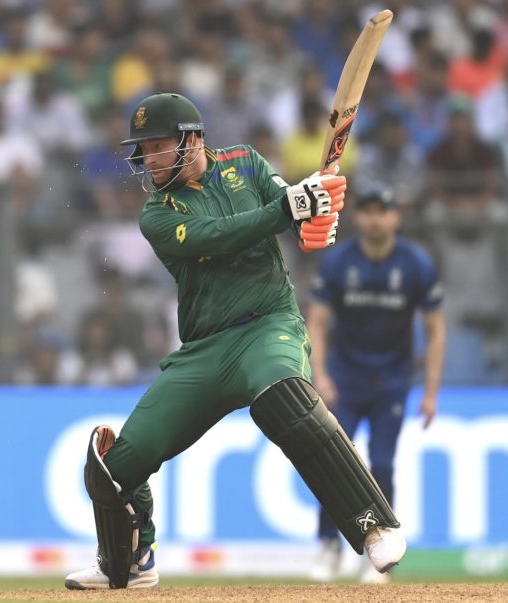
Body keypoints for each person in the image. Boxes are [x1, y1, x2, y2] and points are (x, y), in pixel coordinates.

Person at [64, 92, 405, 590]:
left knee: (281, 398)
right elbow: (220, 235)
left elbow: (291, 211)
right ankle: (130, 562)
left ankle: (372, 524)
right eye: (145, 148)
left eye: (159, 145)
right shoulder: (157, 214)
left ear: (192, 137)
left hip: (269, 323)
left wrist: (314, 213)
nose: (149, 159)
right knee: (111, 469)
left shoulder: (246, 161)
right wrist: (291, 208)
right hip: (204, 350)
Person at [307, 188, 445, 584]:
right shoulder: (338, 263)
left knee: (381, 465)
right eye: (366, 212)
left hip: (392, 382)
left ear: (395, 218)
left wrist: (431, 392)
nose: (374, 219)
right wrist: (321, 375)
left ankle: (380, 558)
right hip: (344, 382)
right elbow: (316, 321)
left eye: (381, 212)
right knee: (333, 465)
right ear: (358, 218)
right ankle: (328, 545)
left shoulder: (415, 264)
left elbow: (436, 331)